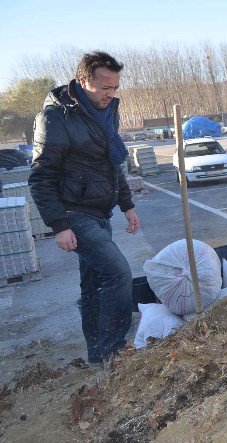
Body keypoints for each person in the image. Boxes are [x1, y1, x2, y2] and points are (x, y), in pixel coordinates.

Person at [29, 51, 140, 364]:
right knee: (119, 273)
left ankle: (97, 356)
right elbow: (41, 177)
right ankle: (115, 351)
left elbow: (113, 165)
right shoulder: (55, 118)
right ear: (83, 81)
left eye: (115, 88)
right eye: (105, 88)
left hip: (100, 212)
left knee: (93, 286)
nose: (111, 94)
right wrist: (59, 225)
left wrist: (127, 204)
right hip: (74, 214)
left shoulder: (107, 113)